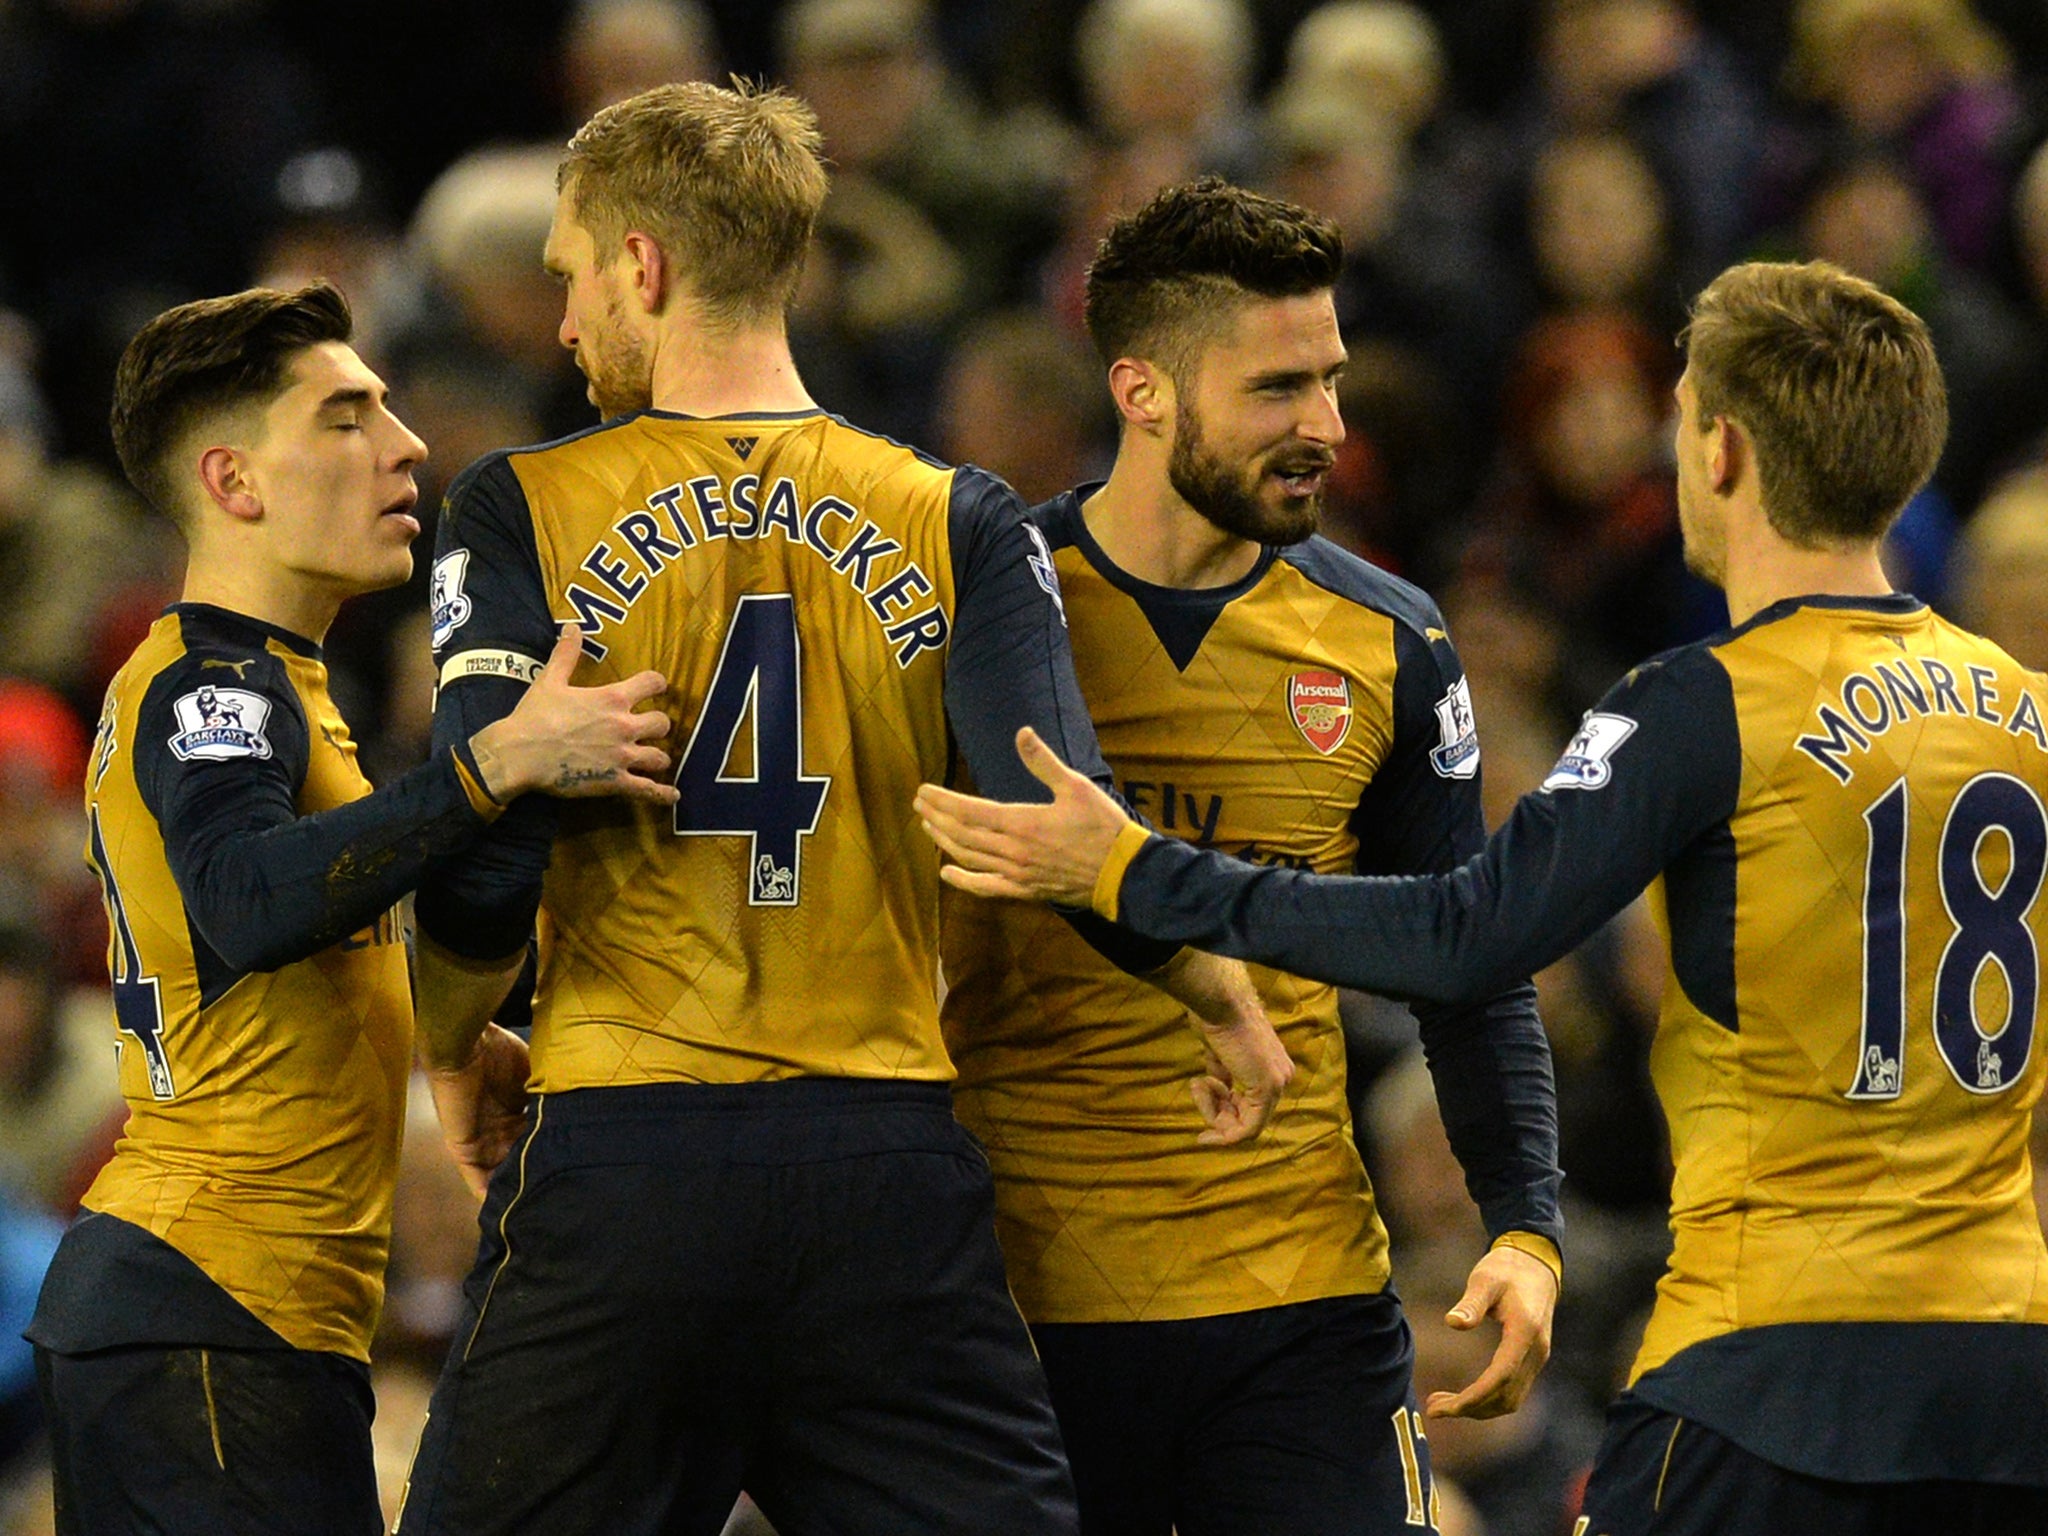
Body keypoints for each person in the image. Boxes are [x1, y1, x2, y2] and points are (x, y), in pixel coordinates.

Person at [917, 258, 2048, 1533]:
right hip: (2010, 1363)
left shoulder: (1705, 700)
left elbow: (1465, 932)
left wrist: (1136, 872)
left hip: (1775, 1359)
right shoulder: (2026, 713)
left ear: (1720, 450)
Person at [396, 81, 1288, 1536]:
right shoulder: (961, 515)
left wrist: (449, 1039)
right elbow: (1057, 820)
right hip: (881, 1171)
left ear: (645, 266)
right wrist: (1211, 984)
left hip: (627, 1165)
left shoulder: (519, 509)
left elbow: (489, 852)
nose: (563, 323)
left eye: (570, 274)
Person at [937, 178, 1563, 1536]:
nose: (1327, 426)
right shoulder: (986, 619)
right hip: (1019, 1305)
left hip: (1303, 1309)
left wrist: (1523, 1223)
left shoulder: (1387, 637)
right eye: (1281, 388)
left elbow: (1468, 956)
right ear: (1143, 391)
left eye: (1331, 382)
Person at [24, 281, 679, 1536]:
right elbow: (248, 902)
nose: (407, 443)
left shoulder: (270, 685)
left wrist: (435, 1036)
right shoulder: (214, 685)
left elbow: (282, 928)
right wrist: (492, 767)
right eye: (344, 417)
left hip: (220, 1316)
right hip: (208, 1307)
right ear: (233, 481)